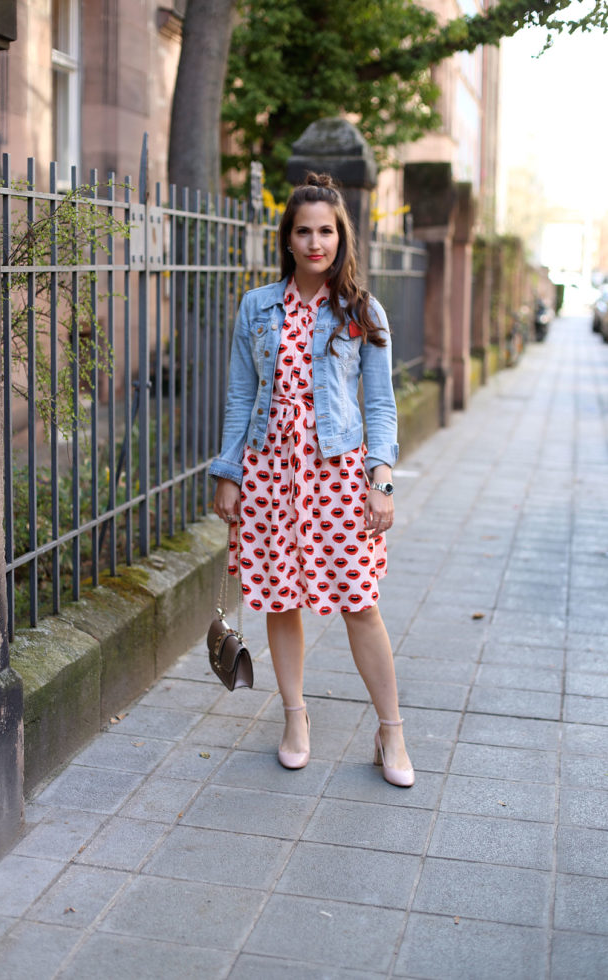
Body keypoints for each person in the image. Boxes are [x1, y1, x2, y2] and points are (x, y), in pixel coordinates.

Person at [209, 173, 414, 787]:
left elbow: (379, 405)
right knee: (280, 598)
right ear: (289, 239)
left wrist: (382, 480)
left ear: (341, 237)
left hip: (338, 478)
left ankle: (391, 731)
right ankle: (295, 718)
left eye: (327, 230)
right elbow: (241, 395)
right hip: (269, 475)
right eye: (305, 230)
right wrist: (229, 473)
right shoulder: (257, 308)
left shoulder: (360, 310)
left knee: (360, 604)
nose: (316, 241)